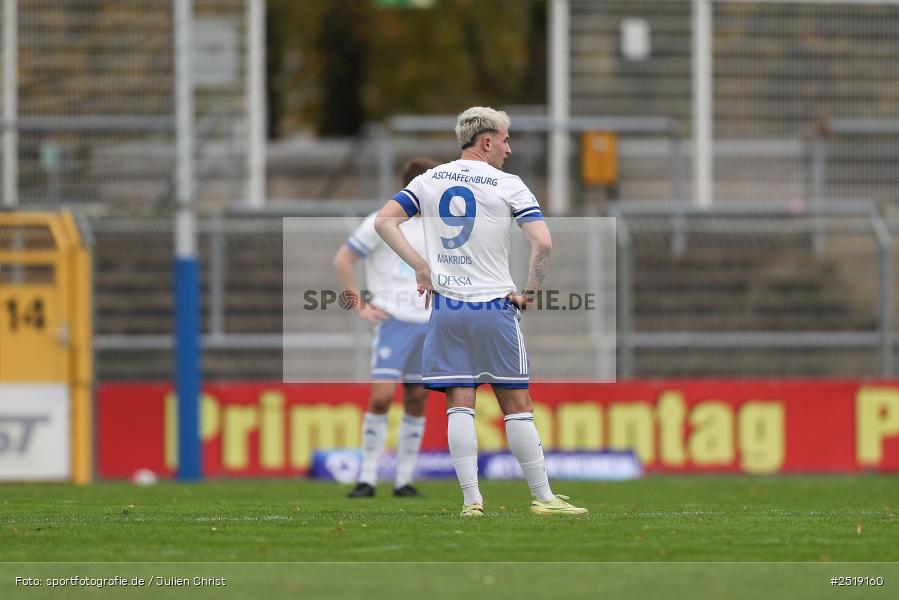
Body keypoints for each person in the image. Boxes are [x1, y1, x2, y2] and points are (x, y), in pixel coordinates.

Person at [373, 107, 587, 517]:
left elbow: (386, 221)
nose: (509, 148)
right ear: (486, 141)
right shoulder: (509, 185)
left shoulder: (429, 180)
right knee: (517, 404)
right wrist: (530, 292)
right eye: (505, 139)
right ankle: (543, 498)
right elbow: (543, 243)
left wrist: (421, 266)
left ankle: (472, 502)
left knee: (460, 403)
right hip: (494, 306)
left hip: (448, 307)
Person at [333, 157, 440, 498]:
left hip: (430, 322)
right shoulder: (381, 221)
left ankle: (403, 480)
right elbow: (343, 259)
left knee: (417, 398)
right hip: (394, 321)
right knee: (381, 397)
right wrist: (358, 304)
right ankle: (367, 477)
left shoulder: (440, 226)